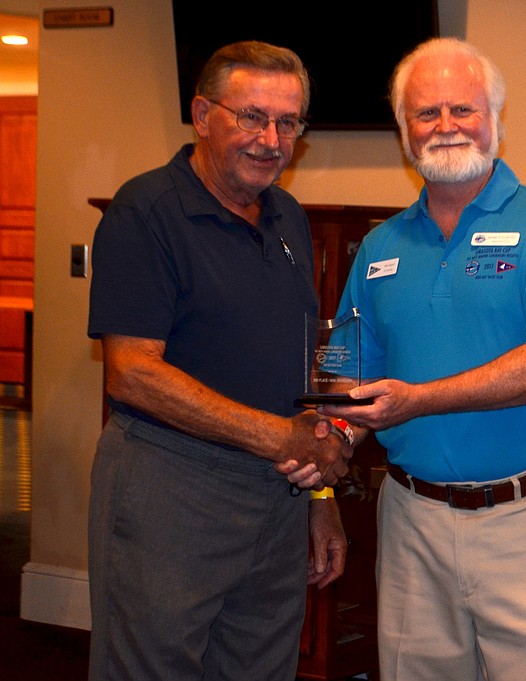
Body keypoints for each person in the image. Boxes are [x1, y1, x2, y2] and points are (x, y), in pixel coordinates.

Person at [322, 37, 526, 681]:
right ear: (404, 131)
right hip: (410, 524)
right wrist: (323, 454)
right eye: (426, 113)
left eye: (462, 109)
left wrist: (418, 400)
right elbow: (348, 378)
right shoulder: (379, 247)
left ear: (495, 121)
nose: (445, 125)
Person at [86, 41, 355, 681]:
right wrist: (278, 438)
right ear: (203, 116)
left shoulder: (288, 216)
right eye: (251, 117)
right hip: (170, 488)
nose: (271, 140)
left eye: (288, 123)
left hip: (277, 495)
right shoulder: (144, 212)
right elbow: (132, 372)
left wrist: (319, 493)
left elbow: (297, 368)